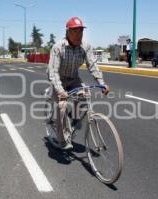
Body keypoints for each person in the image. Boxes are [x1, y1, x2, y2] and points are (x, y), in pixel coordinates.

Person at [47, 16, 109, 150]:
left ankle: (73, 117)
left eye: (80, 31)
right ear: (68, 32)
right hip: (59, 79)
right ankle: (62, 139)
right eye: (75, 31)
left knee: (84, 95)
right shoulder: (58, 47)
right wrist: (60, 90)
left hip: (73, 78)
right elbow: (53, 72)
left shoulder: (85, 47)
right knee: (62, 106)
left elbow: (92, 65)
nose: (78, 35)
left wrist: (101, 82)